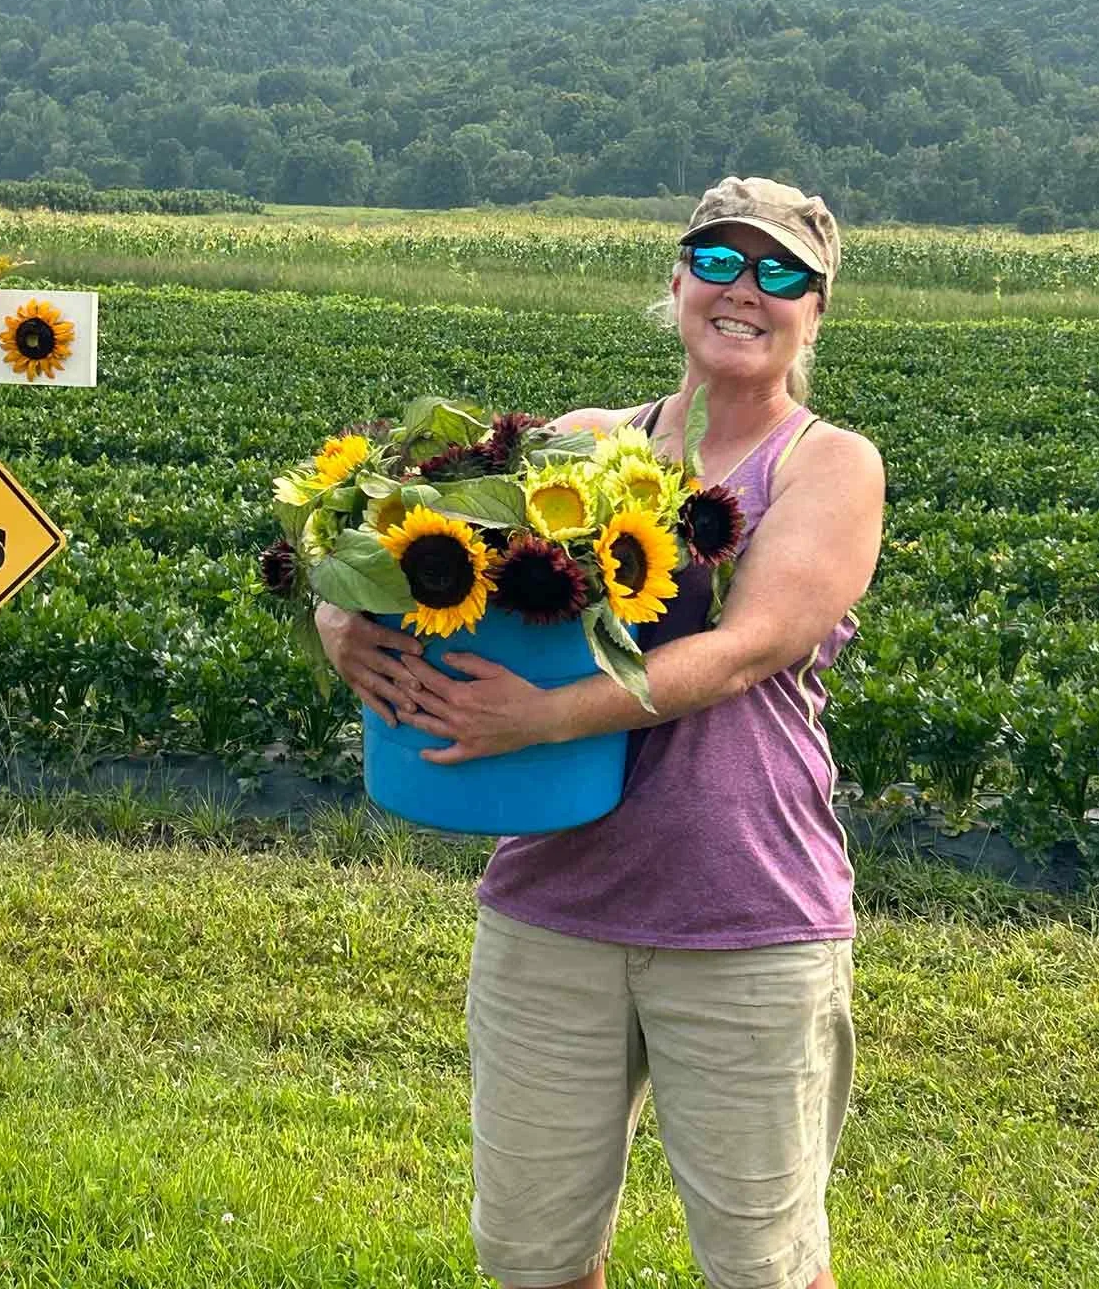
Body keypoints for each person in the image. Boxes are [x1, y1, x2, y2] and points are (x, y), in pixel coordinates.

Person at [315, 176, 885, 1289]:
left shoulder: (828, 463)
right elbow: (395, 521)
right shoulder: (577, 445)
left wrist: (536, 716)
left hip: (746, 912)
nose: (743, 290)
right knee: (533, 1253)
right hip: (553, 904)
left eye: (779, 274)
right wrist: (339, 608)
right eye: (718, 262)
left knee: (764, 1265)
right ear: (675, 280)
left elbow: (748, 647)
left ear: (815, 309)